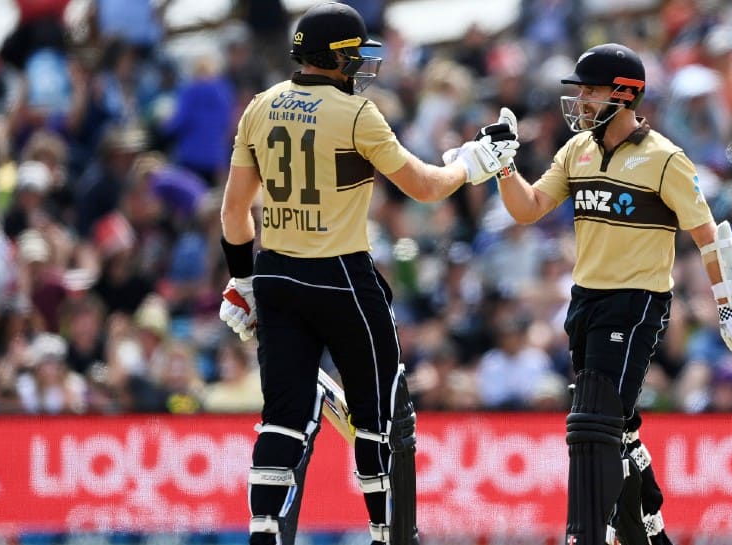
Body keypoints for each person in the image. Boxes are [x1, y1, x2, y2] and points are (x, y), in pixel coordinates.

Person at [216, 3, 516, 545]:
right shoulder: (357, 113)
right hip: (341, 277)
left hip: (277, 277)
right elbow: (425, 187)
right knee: (376, 414)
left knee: (281, 417)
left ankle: (262, 531)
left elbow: (235, 212)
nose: (360, 65)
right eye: (354, 55)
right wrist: (476, 161)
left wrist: (242, 282)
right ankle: (384, 532)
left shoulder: (259, 107)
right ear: (334, 58)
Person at [477, 43, 732, 545]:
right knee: (621, 427)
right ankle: (649, 531)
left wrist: (730, 310)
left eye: (590, 91)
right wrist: (504, 166)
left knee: (593, 421)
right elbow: (527, 209)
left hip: (636, 304)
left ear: (625, 93)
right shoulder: (577, 151)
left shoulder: (664, 159)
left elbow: (708, 236)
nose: (581, 100)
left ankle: (589, 532)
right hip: (584, 301)